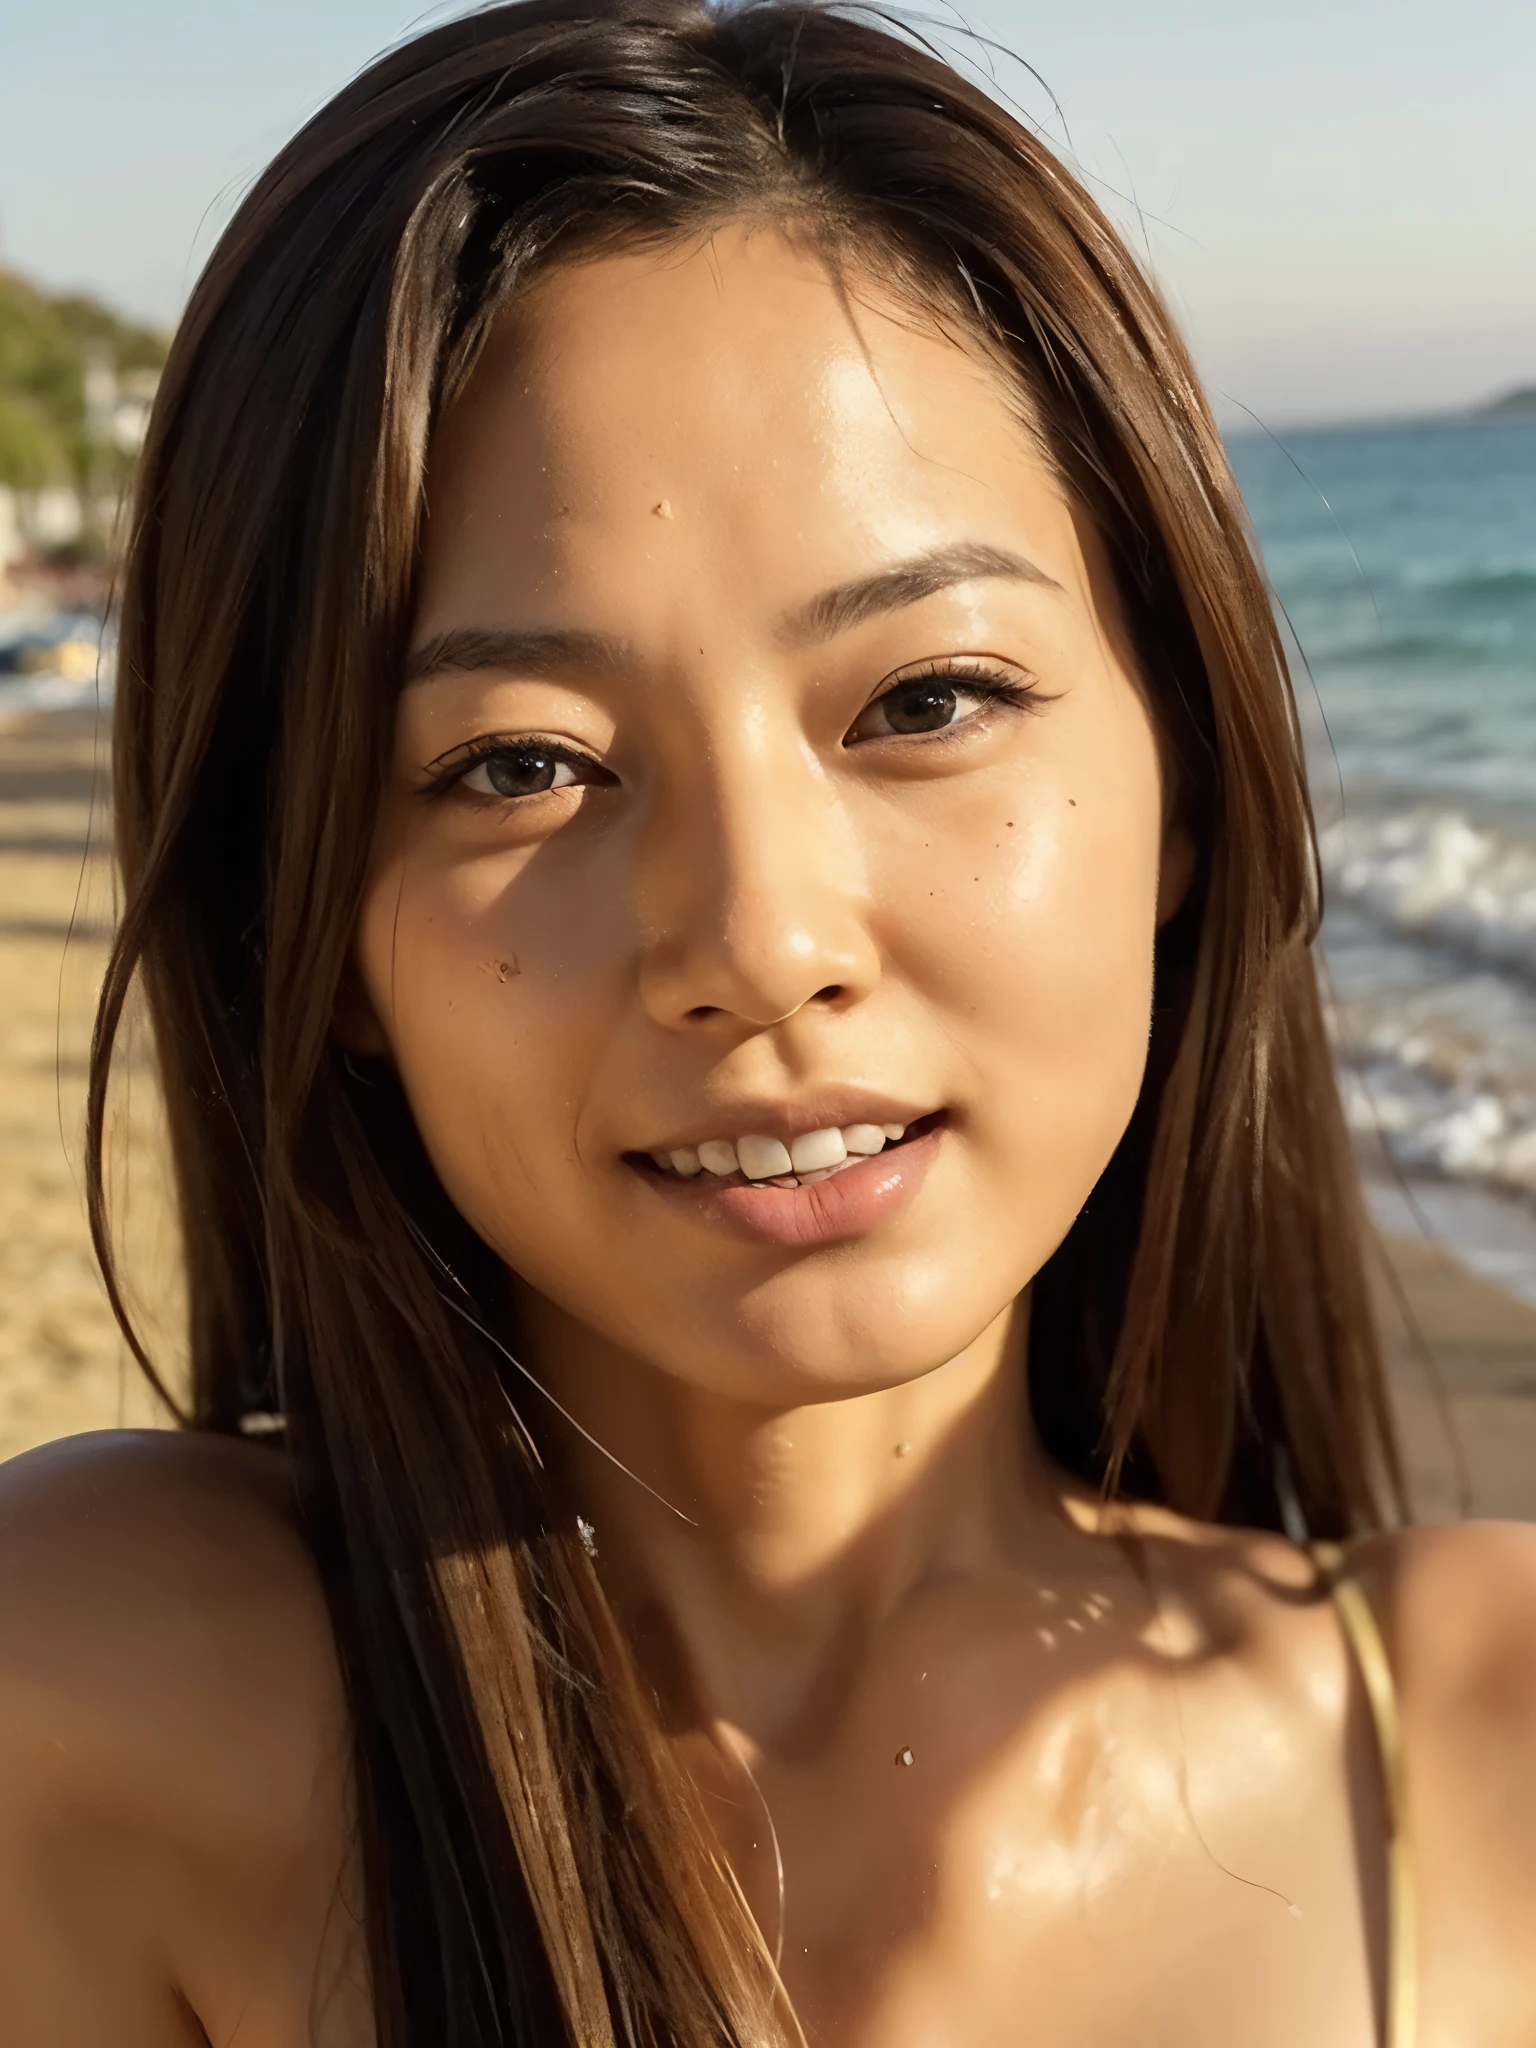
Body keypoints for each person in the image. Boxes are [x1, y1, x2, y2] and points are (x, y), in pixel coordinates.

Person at [1, 2, 1533, 2041]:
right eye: (519, 763)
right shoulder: (101, 1690)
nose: (758, 934)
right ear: (324, 940)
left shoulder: (1477, 1750)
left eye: (925, 700)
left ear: (1183, 785)